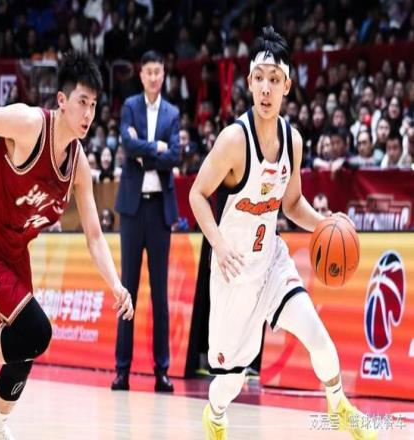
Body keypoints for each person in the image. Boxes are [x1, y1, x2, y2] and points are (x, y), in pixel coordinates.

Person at [0, 51, 134, 439]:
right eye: (82, 102)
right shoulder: (30, 125)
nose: (88, 113)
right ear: (62, 100)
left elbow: (94, 235)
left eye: (94, 105)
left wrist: (116, 284)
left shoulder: (79, 165)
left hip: (15, 254)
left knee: (24, 345)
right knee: (36, 331)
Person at [189, 27, 377, 440]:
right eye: (259, 78)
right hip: (234, 272)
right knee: (231, 382)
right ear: (249, 82)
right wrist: (218, 245)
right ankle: (214, 415)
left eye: (274, 79)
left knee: (319, 337)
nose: (266, 88)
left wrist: (324, 223)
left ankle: (340, 406)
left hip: (271, 263)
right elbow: (196, 194)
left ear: (287, 85)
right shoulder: (234, 140)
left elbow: (291, 204)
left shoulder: (293, 141)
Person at [113, 50, 180, 392]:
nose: (153, 77)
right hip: (132, 209)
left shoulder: (173, 113)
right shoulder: (129, 106)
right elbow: (128, 145)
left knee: (160, 296)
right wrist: (157, 148)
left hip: (159, 212)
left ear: (163, 74)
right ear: (141, 75)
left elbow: (176, 155)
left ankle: (162, 371)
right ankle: (121, 370)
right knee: (127, 290)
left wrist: (145, 153)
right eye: (148, 71)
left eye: (158, 71)